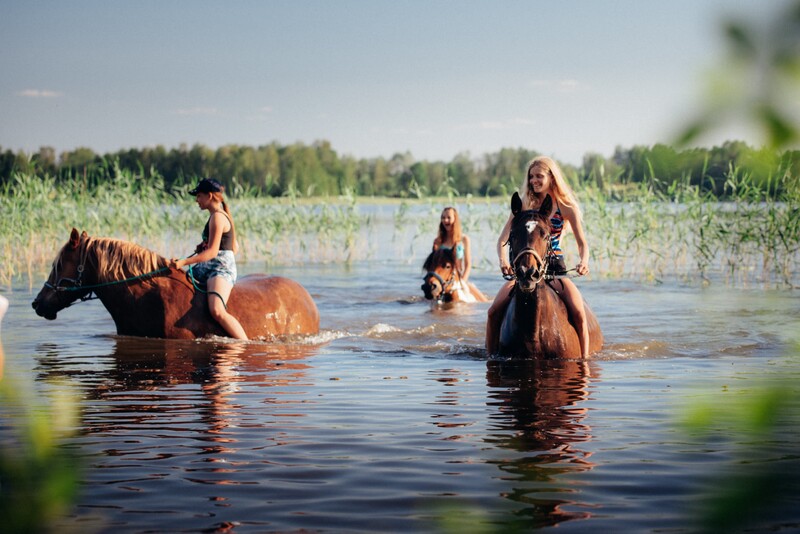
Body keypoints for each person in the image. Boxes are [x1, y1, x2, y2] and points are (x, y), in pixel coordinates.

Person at [485, 156, 591, 356]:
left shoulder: (566, 207)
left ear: (551, 177)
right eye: (531, 176)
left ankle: (584, 363)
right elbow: (502, 239)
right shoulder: (524, 205)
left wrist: (584, 262)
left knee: (579, 313)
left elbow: (582, 243)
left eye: (539, 176)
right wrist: (504, 261)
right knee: (493, 312)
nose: (534, 180)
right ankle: (491, 359)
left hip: (555, 270)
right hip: (524, 268)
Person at [170, 178, 248, 340]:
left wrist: (184, 262)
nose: (196, 200)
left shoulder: (218, 217)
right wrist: (204, 245)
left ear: (210, 196)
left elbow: (213, 253)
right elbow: (234, 247)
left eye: (199, 196)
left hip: (220, 269)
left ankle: (244, 344)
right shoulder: (216, 216)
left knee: (217, 310)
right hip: (209, 266)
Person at [432, 206, 488, 302]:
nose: (445, 220)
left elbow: (468, 265)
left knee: (484, 301)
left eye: (449, 217)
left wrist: (462, 282)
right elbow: (433, 265)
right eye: (443, 217)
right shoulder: (437, 242)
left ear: (455, 219)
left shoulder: (464, 240)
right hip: (442, 280)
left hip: (459, 279)